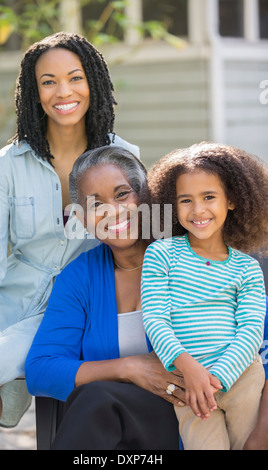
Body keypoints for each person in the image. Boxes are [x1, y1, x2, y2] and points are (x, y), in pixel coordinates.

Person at [0, 31, 140, 450]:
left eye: (75, 77)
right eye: (48, 81)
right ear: (34, 91)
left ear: (92, 83)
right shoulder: (8, 163)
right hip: (8, 305)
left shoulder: (122, 157)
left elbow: (135, 242)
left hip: (76, 308)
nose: (63, 91)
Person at [25, 146, 184, 450]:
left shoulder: (189, 258)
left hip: (192, 419)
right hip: (114, 426)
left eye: (122, 194)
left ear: (146, 197)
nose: (112, 211)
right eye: (96, 204)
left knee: (97, 399)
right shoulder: (80, 277)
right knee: (98, 400)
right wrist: (129, 368)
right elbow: (41, 369)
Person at [141, 142, 268, 450]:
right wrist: (190, 369)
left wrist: (217, 379)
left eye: (209, 197)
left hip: (241, 378)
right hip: (188, 385)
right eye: (186, 200)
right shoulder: (161, 254)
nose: (198, 210)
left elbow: (251, 332)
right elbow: (155, 319)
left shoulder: (247, 268)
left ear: (232, 201)